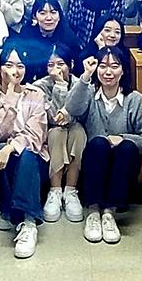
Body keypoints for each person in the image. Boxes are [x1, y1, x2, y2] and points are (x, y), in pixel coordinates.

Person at [64, 47, 142, 245]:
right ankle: (93, 212)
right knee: (98, 143)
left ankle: (109, 214)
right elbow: (71, 108)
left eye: (114, 66)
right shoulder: (89, 93)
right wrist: (85, 76)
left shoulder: (135, 99)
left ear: (123, 71)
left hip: (123, 167)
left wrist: (122, 138)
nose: (108, 72)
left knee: (127, 148)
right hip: (93, 163)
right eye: (103, 66)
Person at [0, 44, 50, 258]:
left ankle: (27, 222)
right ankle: (12, 210)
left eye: (20, 66)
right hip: (1, 160)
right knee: (7, 152)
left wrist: (11, 146)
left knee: (26, 155)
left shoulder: (36, 95)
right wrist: (10, 97)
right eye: (9, 65)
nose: (15, 71)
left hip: (34, 158)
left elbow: (36, 136)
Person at [33, 47, 87, 224]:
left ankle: (71, 190)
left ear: (70, 64)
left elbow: (80, 112)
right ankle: (55, 191)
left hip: (76, 130)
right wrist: (60, 86)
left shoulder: (81, 84)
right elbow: (55, 118)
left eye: (60, 64)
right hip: (49, 132)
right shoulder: (39, 86)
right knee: (57, 132)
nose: (55, 69)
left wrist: (68, 115)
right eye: (51, 65)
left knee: (77, 131)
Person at [6, 0, 83, 82]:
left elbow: (78, 69)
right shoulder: (26, 35)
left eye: (53, 12)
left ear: (59, 16)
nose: (49, 18)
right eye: (43, 13)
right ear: (34, 16)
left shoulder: (69, 38)